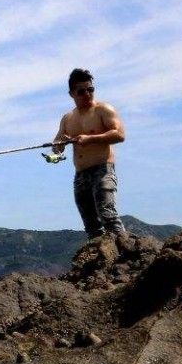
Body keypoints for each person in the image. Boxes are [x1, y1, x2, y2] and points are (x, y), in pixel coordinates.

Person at [52, 68, 126, 238]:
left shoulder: (103, 110)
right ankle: (101, 258)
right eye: (81, 91)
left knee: (107, 215)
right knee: (90, 223)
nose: (87, 94)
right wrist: (60, 143)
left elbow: (120, 134)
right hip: (80, 175)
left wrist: (90, 139)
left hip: (102, 170)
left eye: (90, 89)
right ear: (72, 93)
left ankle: (126, 253)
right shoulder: (67, 118)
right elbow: (56, 147)